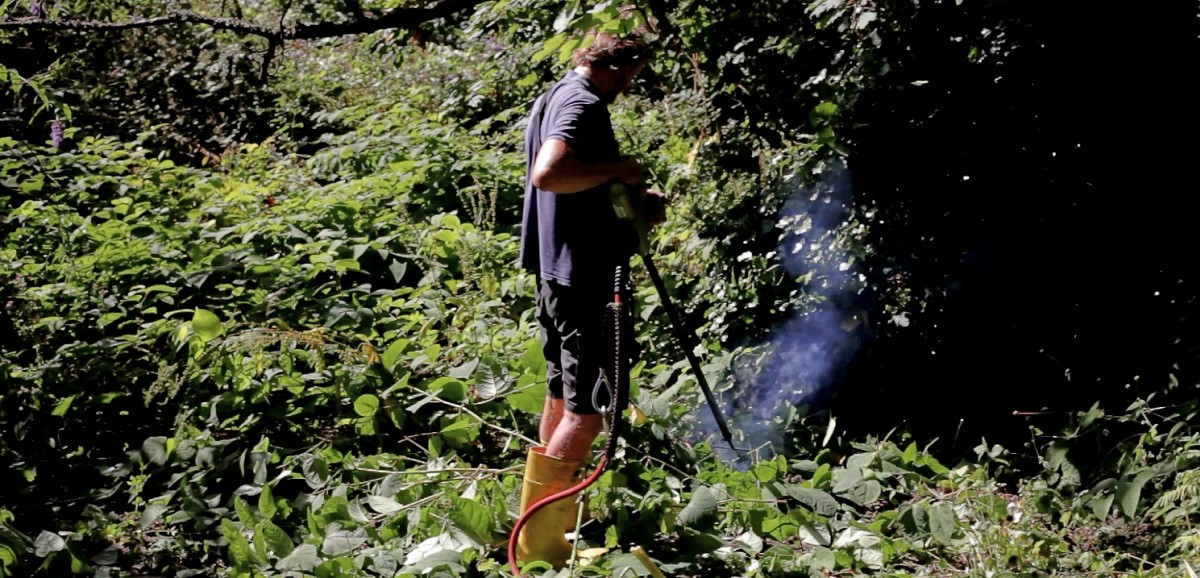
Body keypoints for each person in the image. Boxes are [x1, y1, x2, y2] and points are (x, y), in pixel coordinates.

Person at [513, 5, 665, 568]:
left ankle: (538, 532)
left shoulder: (558, 93)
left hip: (559, 270)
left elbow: (571, 189)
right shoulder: (581, 103)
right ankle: (538, 551)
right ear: (622, 65)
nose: (634, 83)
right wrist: (622, 170)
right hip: (580, 278)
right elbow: (549, 173)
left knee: (561, 397)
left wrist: (630, 205)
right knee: (589, 415)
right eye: (637, 72)